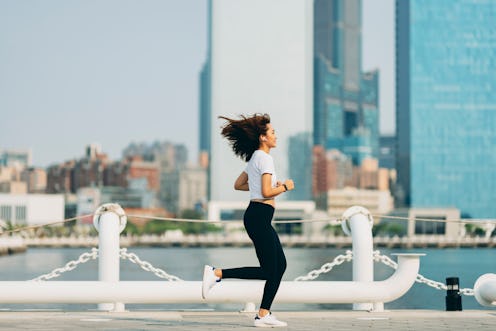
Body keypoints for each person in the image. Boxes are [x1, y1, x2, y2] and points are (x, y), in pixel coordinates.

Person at [202, 113, 295, 328]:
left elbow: (239, 184)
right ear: (262, 137)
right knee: (273, 268)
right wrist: (284, 187)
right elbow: (265, 191)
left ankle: (263, 313)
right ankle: (216, 273)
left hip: (256, 216)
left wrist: (270, 188)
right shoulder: (266, 158)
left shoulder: (255, 157)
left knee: (277, 266)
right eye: (272, 132)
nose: (275, 135)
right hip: (259, 216)